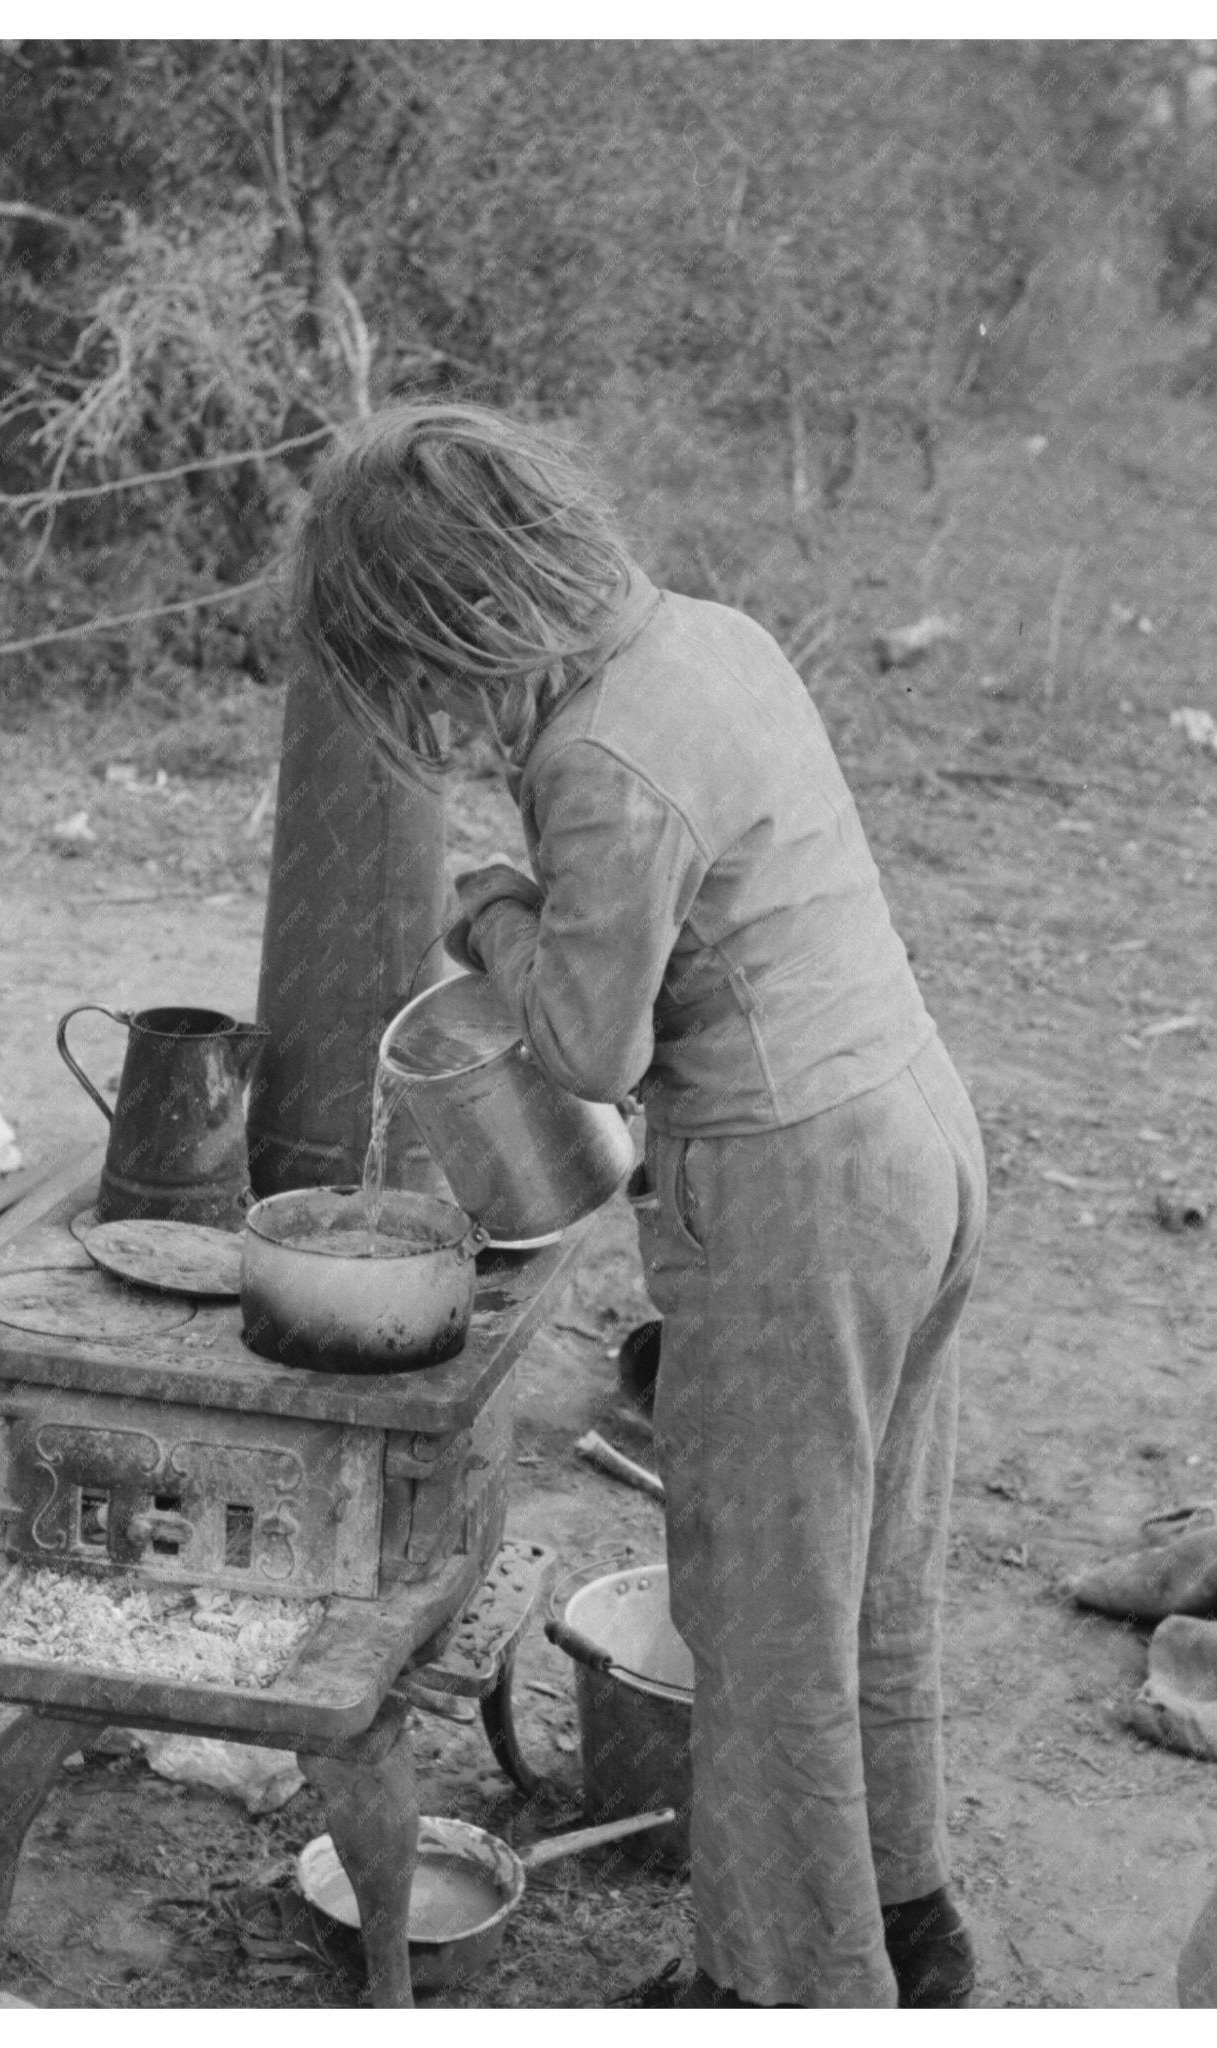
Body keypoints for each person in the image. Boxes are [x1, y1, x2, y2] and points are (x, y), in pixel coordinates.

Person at [294, 401, 987, 2009]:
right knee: (868, 1567)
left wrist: (489, 910)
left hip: (798, 1189)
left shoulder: (598, 750)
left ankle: (788, 1991)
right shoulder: (711, 639)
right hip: (914, 1128)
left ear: (442, 612)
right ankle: (908, 1918)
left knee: (757, 1620)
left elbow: (589, 1049)